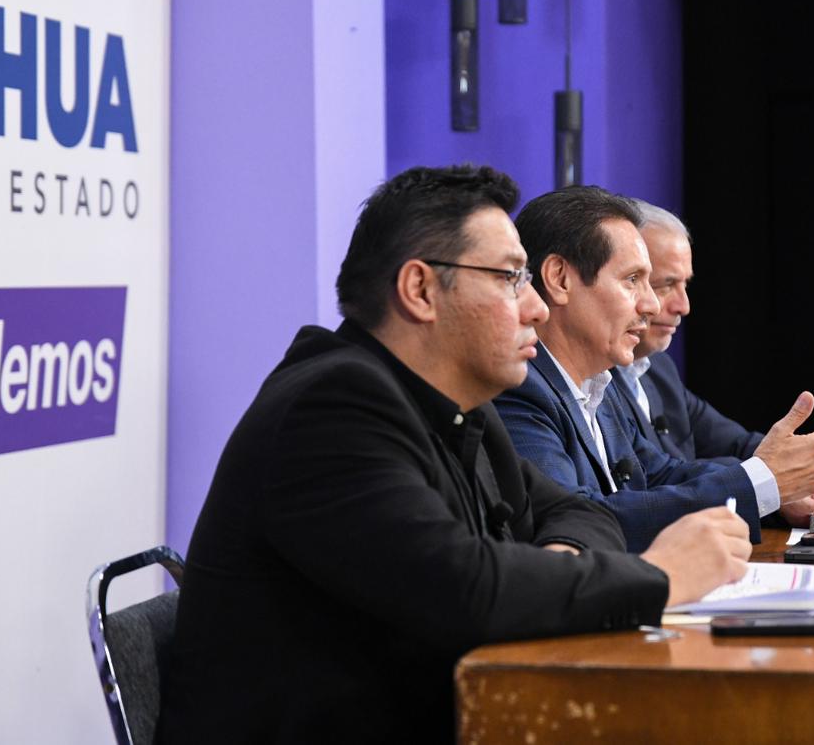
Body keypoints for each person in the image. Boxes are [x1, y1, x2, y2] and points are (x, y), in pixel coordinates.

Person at [158, 166, 751, 744]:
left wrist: (559, 561)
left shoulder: (459, 403)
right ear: (420, 290)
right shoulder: (331, 410)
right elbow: (467, 591)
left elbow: (578, 511)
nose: (536, 307)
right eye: (510, 278)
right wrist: (661, 576)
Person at [495, 186, 814, 553]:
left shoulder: (597, 383)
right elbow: (579, 521)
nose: (652, 305)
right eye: (633, 280)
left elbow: (660, 474)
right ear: (560, 278)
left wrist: (779, 491)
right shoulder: (517, 389)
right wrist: (761, 483)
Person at [611, 201, 814, 496]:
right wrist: (775, 476)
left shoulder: (658, 368)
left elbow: (735, 443)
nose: (683, 306)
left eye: (685, 284)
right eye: (665, 285)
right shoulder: (598, 383)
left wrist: (812, 460)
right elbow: (653, 481)